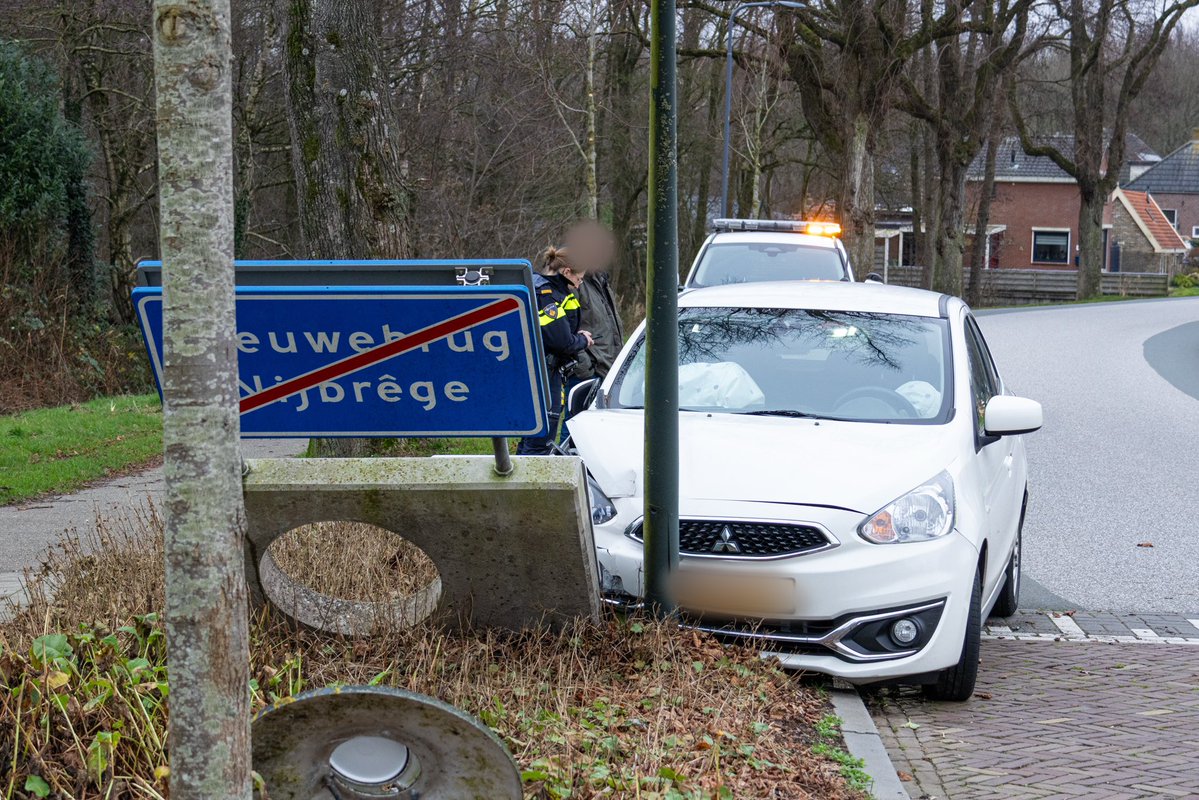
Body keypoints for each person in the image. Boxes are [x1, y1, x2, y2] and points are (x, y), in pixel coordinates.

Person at [517, 246, 592, 455]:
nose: (580, 283)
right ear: (566, 272)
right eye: (580, 278)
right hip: (545, 372)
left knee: (532, 439)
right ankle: (530, 486)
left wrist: (575, 337)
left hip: (544, 370)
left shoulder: (549, 289)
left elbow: (562, 330)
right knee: (541, 441)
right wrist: (582, 341)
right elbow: (562, 341)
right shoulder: (547, 295)